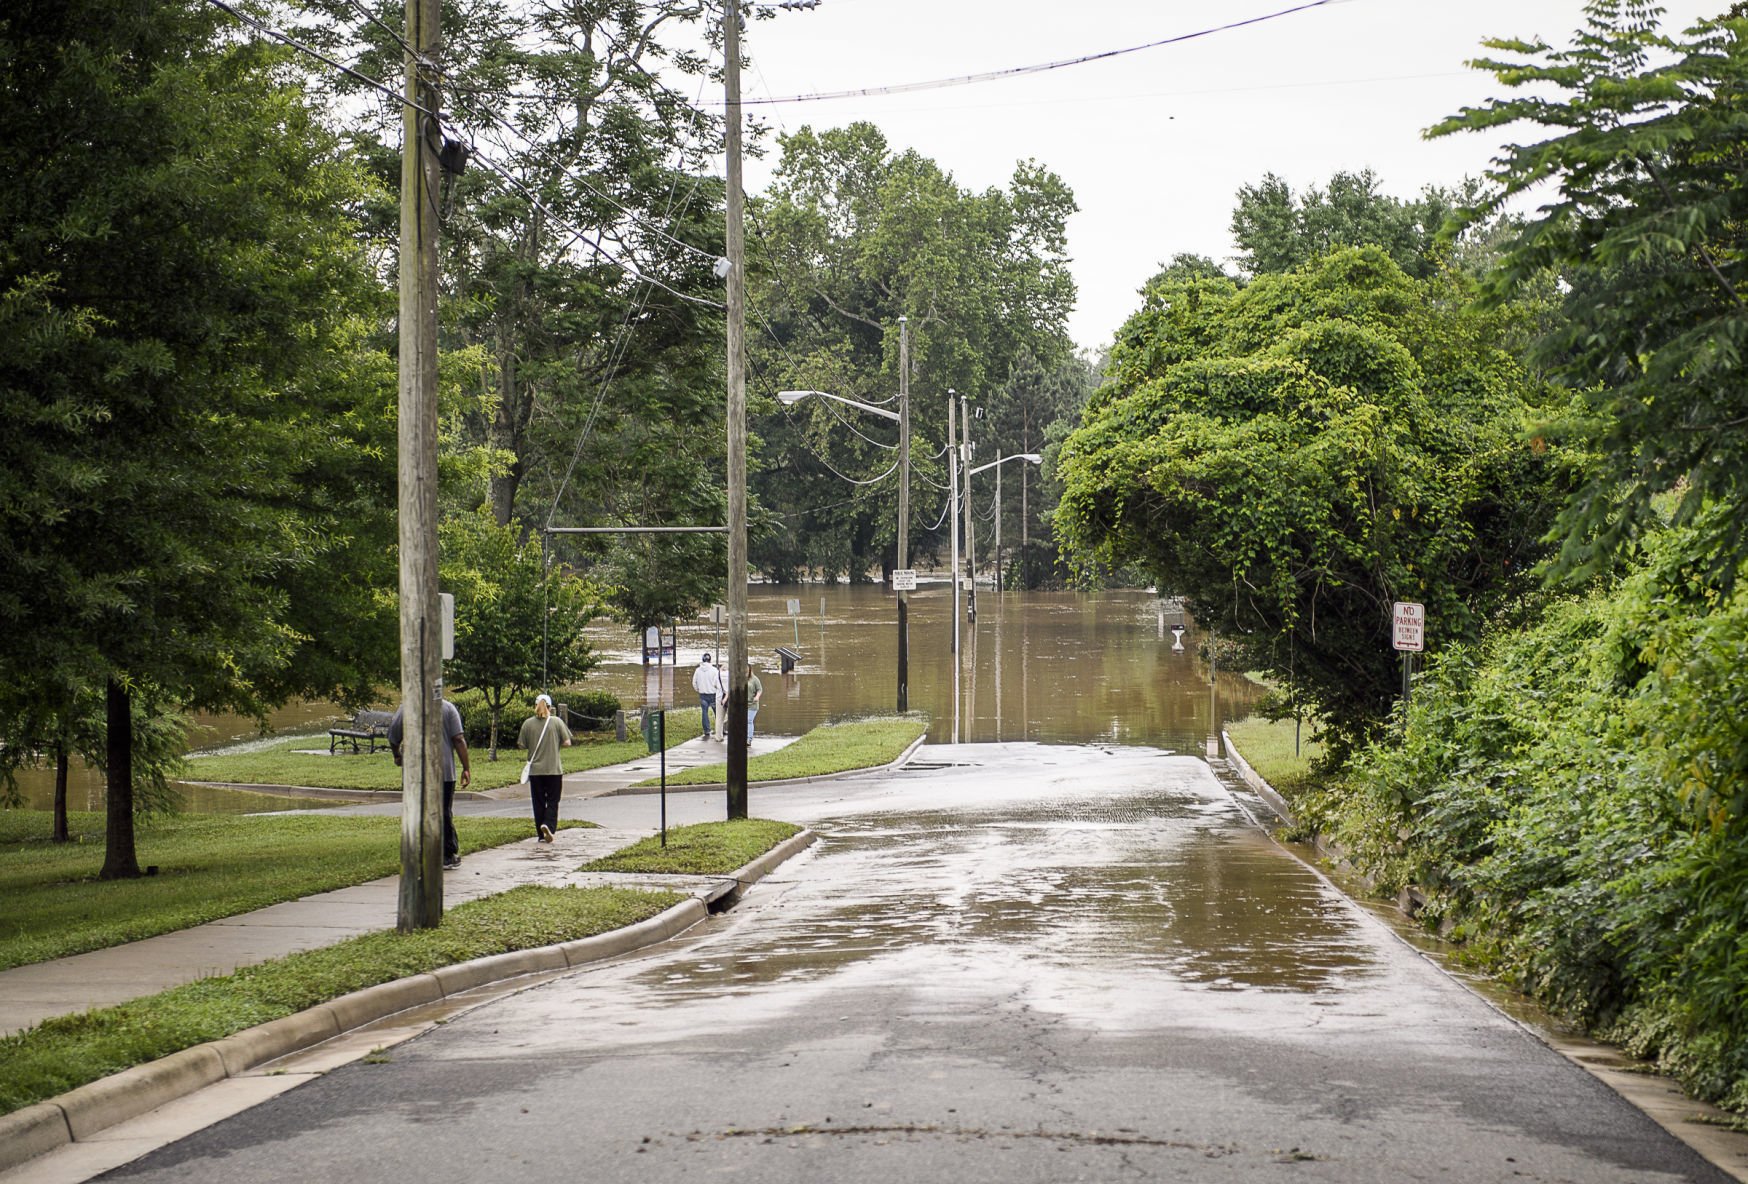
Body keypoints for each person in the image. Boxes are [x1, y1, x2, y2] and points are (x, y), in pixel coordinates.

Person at [387, 699, 471, 870]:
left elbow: (394, 736)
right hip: (444, 772)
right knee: (443, 813)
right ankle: (447, 855)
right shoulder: (448, 708)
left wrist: (397, 755)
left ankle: (416, 853)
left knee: (416, 812)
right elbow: (458, 739)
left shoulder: (407, 706)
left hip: (414, 773)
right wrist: (466, 768)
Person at [517, 693, 574, 843]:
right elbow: (567, 742)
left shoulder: (527, 724)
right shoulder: (556, 722)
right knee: (553, 800)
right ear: (550, 707)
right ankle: (548, 824)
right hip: (554, 769)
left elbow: (521, 745)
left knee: (538, 801)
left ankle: (541, 833)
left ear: (535, 706)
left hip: (535, 771)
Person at [692, 653, 719, 739]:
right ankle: (719, 729)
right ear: (710, 660)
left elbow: (694, 682)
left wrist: (698, 689)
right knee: (718, 713)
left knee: (704, 712)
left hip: (703, 694)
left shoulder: (698, 670)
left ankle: (707, 730)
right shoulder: (714, 670)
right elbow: (719, 682)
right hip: (713, 694)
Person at [745, 661, 764, 743]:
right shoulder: (739, 677)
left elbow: (760, 690)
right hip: (742, 705)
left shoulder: (754, 679)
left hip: (752, 704)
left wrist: (757, 697)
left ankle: (749, 739)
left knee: (749, 720)